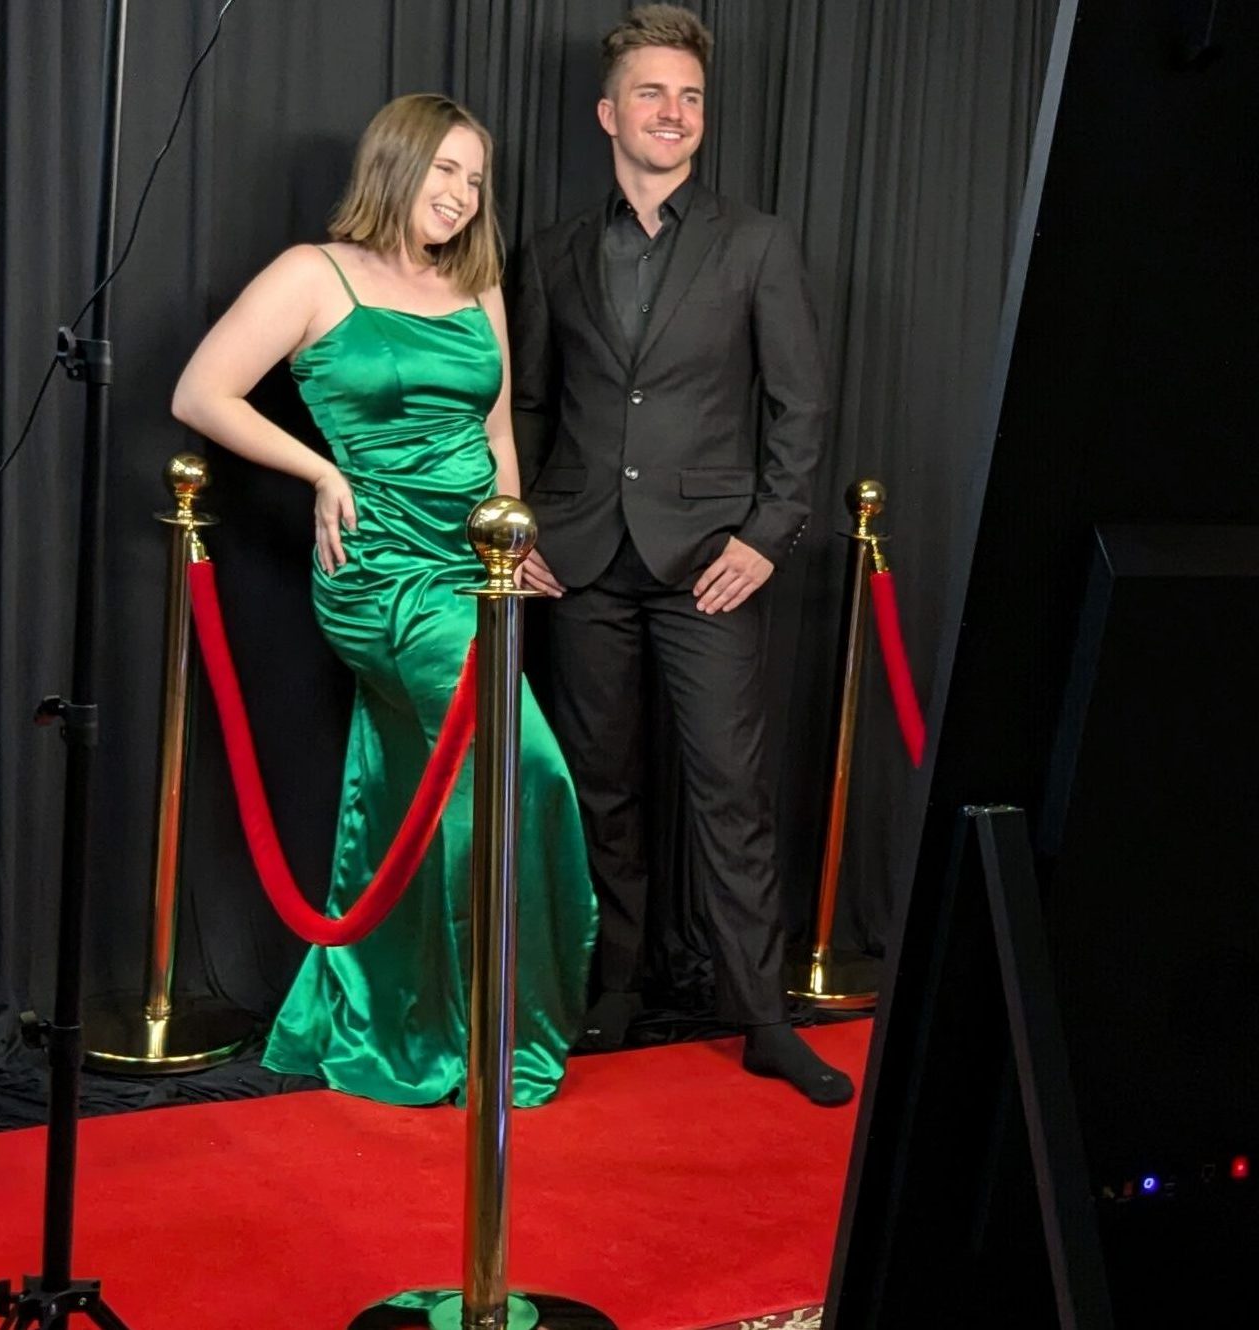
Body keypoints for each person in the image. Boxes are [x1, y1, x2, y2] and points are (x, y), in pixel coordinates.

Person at [172, 93, 597, 1108]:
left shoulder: (476, 280)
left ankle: (411, 1022)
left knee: (432, 794)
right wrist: (320, 471)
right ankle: (499, 1033)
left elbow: (495, 433)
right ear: (395, 165)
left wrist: (513, 529)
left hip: (470, 568)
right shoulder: (312, 275)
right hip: (379, 572)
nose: (459, 195)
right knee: (517, 764)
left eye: (474, 180)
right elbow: (201, 392)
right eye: (444, 170)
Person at [512, 6, 853, 1106]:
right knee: (601, 790)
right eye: (653, 94)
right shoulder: (552, 248)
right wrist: (518, 531)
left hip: (710, 559)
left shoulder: (755, 241)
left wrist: (766, 536)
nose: (675, 113)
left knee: (730, 792)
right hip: (579, 561)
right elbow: (524, 405)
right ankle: (613, 988)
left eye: (692, 96)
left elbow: (798, 407)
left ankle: (760, 1016)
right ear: (610, 112)